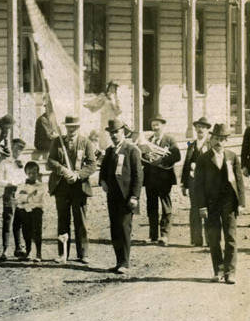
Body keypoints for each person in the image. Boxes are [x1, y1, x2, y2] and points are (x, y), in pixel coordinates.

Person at [194, 123, 244, 284]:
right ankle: (218, 270)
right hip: (211, 204)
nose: (219, 142)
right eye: (216, 138)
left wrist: (241, 203)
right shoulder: (203, 158)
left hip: (229, 202)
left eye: (222, 139)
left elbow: (239, 181)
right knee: (214, 238)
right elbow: (198, 185)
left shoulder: (232, 156)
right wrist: (201, 206)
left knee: (230, 237)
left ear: (226, 141)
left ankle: (231, 272)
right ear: (211, 139)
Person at [48, 115, 95, 264]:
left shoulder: (85, 142)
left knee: (80, 220)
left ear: (78, 127)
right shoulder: (57, 141)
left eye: (74, 126)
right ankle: (63, 254)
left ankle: (83, 254)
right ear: (65, 127)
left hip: (79, 187)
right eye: (69, 126)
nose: (71, 129)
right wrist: (62, 170)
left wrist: (78, 175)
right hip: (61, 186)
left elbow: (92, 164)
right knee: (63, 220)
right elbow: (50, 161)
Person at [99, 119, 141, 275]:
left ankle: (125, 262)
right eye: (111, 133)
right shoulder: (110, 151)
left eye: (116, 132)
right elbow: (103, 171)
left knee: (124, 228)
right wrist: (102, 181)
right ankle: (118, 262)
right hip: (113, 197)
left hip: (126, 197)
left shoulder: (131, 150)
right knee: (115, 229)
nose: (114, 135)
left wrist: (134, 196)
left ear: (123, 132)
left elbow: (138, 176)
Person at [137, 115, 182, 245]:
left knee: (165, 206)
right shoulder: (148, 140)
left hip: (164, 177)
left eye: (157, 125)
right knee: (151, 206)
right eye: (153, 125)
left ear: (163, 125)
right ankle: (153, 236)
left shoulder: (170, 139)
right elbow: (142, 157)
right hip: (150, 177)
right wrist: (145, 156)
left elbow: (177, 156)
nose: (155, 128)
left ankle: (164, 235)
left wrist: (161, 160)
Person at [0, 138, 28, 259]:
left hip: (21, 193)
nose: (18, 151)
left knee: (19, 220)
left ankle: (19, 247)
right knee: (8, 220)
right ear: (12, 147)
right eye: (16, 148)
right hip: (9, 192)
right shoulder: (4, 163)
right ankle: (5, 249)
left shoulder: (24, 162)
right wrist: (10, 183)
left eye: (21, 149)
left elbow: (27, 178)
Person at [181, 117, 212, 245]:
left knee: (208, 209)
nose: (200, 130)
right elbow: (186, 164)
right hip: (194, 182)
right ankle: (196, 239)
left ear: (207, 130)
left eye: (203, 127)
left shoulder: (211, 144)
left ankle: (211, 240)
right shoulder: (192, 145)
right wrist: (184, 184)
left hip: (208, 182)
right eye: (198, 127)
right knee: (194, 210)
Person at [15, 160, 47, 261]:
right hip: (24, 211)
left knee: (37, 232)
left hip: (36, 210)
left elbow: (39, 199)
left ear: (38, 173)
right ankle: (28, 251)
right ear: (26, 173)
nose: (32, 175)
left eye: (34, 173)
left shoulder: (41, 186)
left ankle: (38, 253)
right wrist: (29, 196)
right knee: (26, 231)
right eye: (29, 173)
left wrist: (26, 197)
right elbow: (18, 199)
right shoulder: (22, 185)